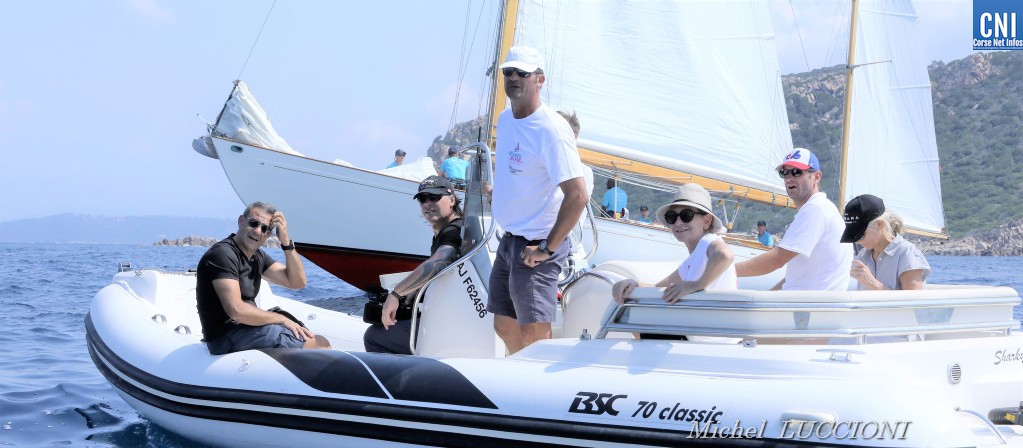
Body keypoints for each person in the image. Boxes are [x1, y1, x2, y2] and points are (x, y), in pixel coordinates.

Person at [488, 45, 589, 354]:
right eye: (508, 72)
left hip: (536, 244)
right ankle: (519, 371)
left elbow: (578, 196)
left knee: (534, 332)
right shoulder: (506, 119)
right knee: (503, 324)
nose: (513, 77)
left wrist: (546, 248)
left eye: (522, 72)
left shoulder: (551, 130)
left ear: (539, 80)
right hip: (509, 240)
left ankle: (535, 377)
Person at [196, 202, 331, 355]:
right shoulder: (223, 254)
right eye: (254, 223)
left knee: (319, 341)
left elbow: (297, 282)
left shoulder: (257, 256)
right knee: (318, 345)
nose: (258, 231)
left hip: (246, 328)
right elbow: (236, 311)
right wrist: (280, 319)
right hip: (226, 336)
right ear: (241, 221)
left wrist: (286, 243)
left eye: (265, 229)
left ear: (268, 235)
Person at [364, 176, 463, 354]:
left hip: (450, 325)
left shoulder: (454, 231)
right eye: (423, 199)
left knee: (374, 337)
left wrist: (396, 294)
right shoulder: (447, 231)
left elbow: (440, 261)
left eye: (434, 197)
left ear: (452, 200)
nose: (427, 203)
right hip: (448, 314)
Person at [735, 148, 853, 291]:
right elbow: (796, 278)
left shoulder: (815, 209)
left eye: (797, 172)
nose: (789, 178)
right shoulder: (821, 208)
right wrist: (769, 296)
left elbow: (777, 260)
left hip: (810, 303)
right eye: (784, 173)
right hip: (811, 301)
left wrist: (726, 271)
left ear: (816, 177)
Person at [612, 183, 737, 304]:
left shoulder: (708, 241)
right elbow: (658, 289)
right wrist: (633, 285)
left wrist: (696, 286)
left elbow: (725, 255)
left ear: (707, 221)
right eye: (672, 216)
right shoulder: (693, 259)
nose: (677, 223)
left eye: (686, 215)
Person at [842, 194, 930, 290]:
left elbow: (914, 298)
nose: (858, 241)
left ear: (879, 224)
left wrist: (873, 284)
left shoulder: (906, 253)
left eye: (861, 235)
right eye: (853, 236)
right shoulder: (863, 255)